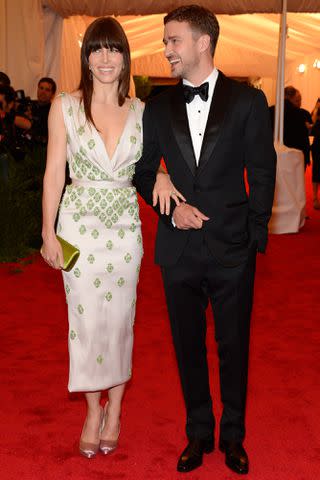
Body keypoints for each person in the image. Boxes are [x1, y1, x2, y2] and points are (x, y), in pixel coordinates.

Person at [133, 5, 276, 475]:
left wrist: (255, 234)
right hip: (178, 250)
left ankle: (233, 436)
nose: (166, 49)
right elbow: (142, 168)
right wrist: (169, 207)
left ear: (202, 42)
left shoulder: (248, 101)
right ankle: (198, 434)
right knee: (187, 347)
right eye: (165, 40)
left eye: (173, 40)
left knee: (234, 346)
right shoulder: (157, 107)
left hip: (233, 247)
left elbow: (261, 169)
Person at [41, 17, 179, 459]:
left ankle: (115, 410)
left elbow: (153, 164)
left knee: (119, 322)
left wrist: (158, 172)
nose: (105, 58)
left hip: (123, 229)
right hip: (77, 227)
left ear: (125, 56)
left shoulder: (143, 112)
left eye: (113, 49)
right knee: (84, 324)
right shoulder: (64, 105)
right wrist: (47, 232)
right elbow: (52, 175)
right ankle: (90, 410)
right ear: (86, 57)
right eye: (96, 49)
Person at [30, 77, 57, 144]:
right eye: (41, 88)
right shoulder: (29, 105)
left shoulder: (54, 112)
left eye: (47, 90)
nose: (43, 92)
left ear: (53, 95)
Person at [310, 98, 320, 209]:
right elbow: (311, 123)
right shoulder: (316, 110)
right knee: (316, 171)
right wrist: (316, 108)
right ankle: (314, 198)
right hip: (318, 146)